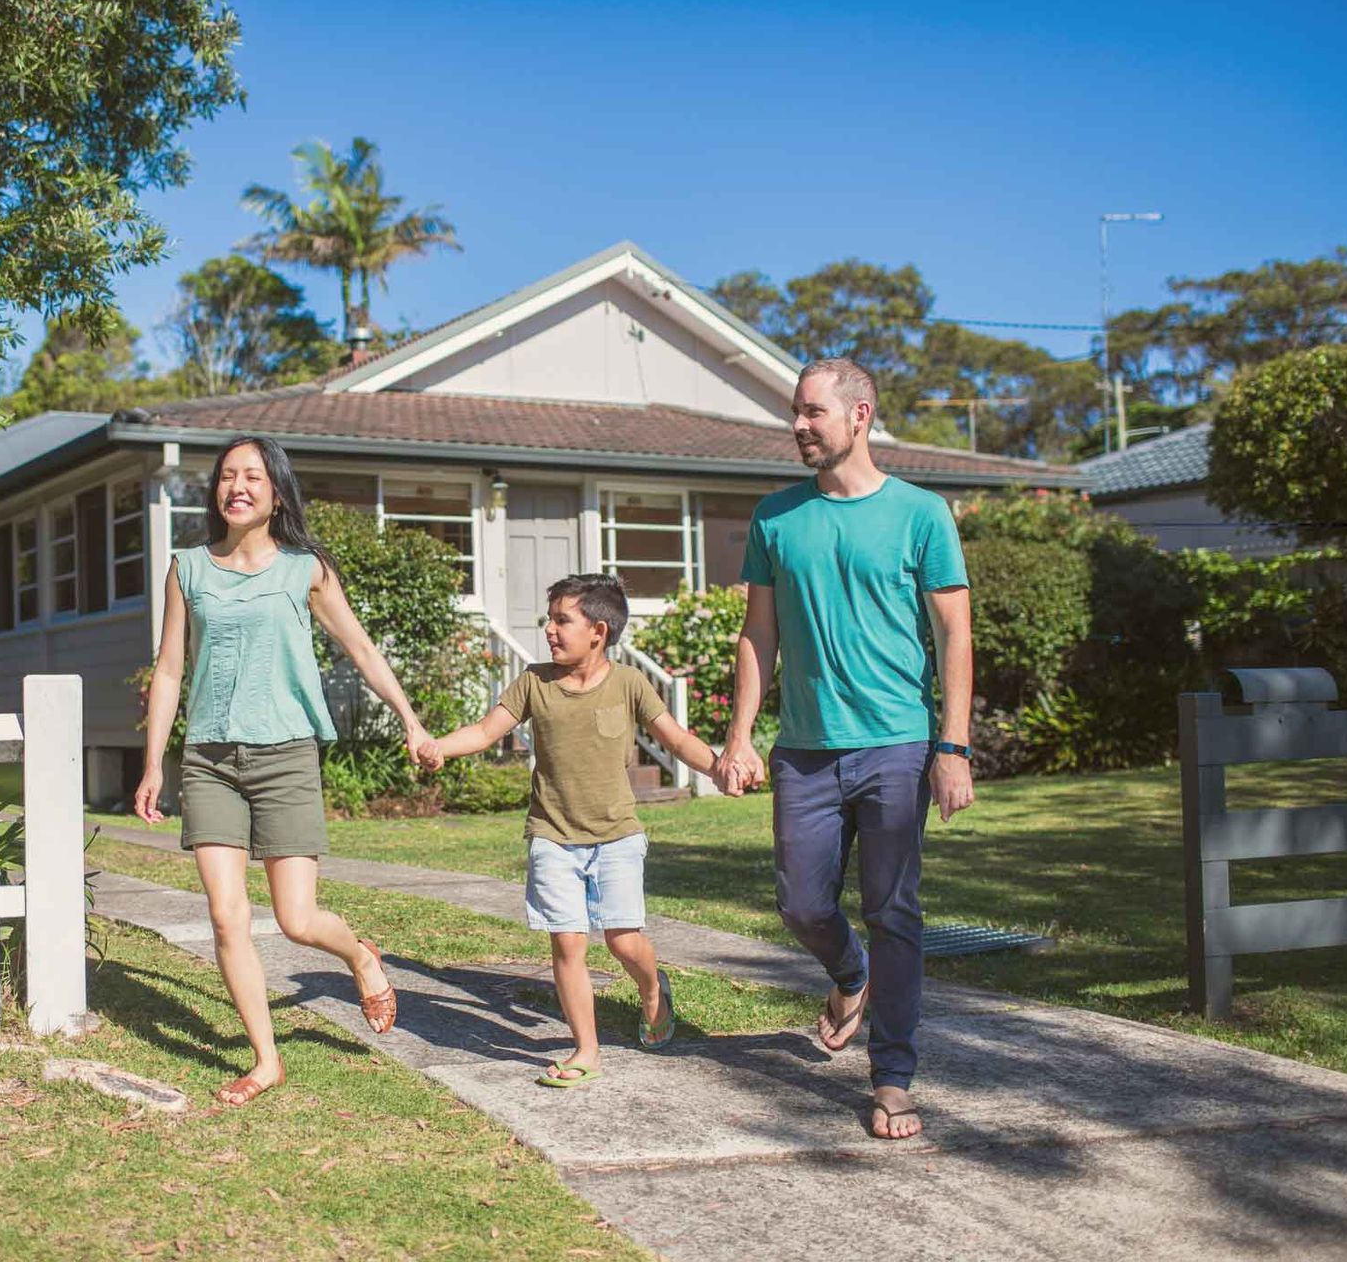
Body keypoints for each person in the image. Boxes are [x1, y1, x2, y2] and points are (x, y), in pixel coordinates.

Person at [714, 357, 974, 1141]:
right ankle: (847, 975)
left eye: (811, 413)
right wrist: (739, 736)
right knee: (800, 903)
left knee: (895, 911)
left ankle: (893, 1078)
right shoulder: (776, 517)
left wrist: (952, 745)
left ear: (858, 416)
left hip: (898, 741)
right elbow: (758, 633)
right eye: (794, 412)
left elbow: (955, 632)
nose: (797, 425)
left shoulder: (921, 515)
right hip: (805, 747)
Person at [133, 435, 433, 1107]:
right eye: (227, 476)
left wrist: (410, 719)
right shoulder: (188, 569)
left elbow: (359, 646)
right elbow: (172, 668)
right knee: (226, 914)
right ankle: (266, 1061)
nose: (237, 486)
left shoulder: (307, 569)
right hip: (210, 757)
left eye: (253, 477)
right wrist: (154, 761)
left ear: (276, 493)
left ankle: (359, 955)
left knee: (296, 920)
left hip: (286, 755)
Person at [420, 574, 719, 1087]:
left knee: (625, 942)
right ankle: (586, 1049)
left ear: (598, 631)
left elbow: (674, 738)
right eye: (549, 619)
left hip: (616, 835)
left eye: (562, 620)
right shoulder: (534, 682)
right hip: (552, 835)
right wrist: (441, 746)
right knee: (568, 943)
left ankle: (652, 991)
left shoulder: (629, 683)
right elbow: (487, 729)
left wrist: (719, 767)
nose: (550, 630)